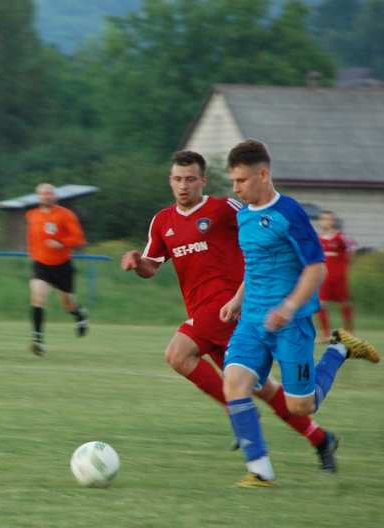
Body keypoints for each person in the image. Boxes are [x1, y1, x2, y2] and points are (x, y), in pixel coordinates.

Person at [121, 150, 341, 472]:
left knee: (178, 354)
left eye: (190, 179)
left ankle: (238, 419)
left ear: (203, 181)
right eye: (177, 179)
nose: (184, 186)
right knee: (262, 389)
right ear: (170, 181)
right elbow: (152, 267)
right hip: (216, 315)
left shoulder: (226, 208)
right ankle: (320, 439)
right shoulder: (163, 221)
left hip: (233, 307)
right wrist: (137, 262)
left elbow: (262, 226)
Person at [218, 139, 378, 488]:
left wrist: (289, 307)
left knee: (301, 408)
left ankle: (339, 349)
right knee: (234, 384)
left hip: (291, 324)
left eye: (242, 180)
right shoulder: (243, 215)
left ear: (263, 174)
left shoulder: (289, 214)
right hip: (252, 321)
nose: (236, 188)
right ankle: (260, 472)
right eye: (233, 181)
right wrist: (237, 299)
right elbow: (255, 264)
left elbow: (316, 268)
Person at [26, 183, 88, 356]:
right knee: (38, 298)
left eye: (50, 193)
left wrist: (61, 243)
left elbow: (79, 239)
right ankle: (37, 340)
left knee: (67, 305)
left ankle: (80, 314)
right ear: (38, 196)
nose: (47, 196)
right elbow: (32, 237)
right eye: (43, 193)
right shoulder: (32, 215)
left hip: (62, 266)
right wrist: (32, 253)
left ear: (55, 196)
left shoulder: (65, 215)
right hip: (41, 266)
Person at [316, 210, 356, 337]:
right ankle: (326, 333)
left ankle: (349, 332)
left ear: (333, 221)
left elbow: (352, 248)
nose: (326, 221)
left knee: (345, 303)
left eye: (329, 219)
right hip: (324, 277)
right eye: (324, 219)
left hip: (339, 277)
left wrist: (345, 265)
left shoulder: (340, 237)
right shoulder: (318, 238)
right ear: (320, 221)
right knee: (320, 304)